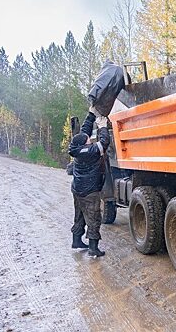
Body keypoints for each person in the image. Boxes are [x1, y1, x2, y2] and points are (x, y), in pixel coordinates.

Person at [69, 108, 110, 257]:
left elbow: (84, 132)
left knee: (79, 215)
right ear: (85, 144)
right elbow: (105, 141)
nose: (89, 139)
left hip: (77, 189)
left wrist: (91, 114)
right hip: (90, 191)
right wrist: (103, 126)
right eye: (88, 140)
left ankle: (76, 240)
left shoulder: (75, 148)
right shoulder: (92, 151)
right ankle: (93, 248)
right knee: (93, 218)